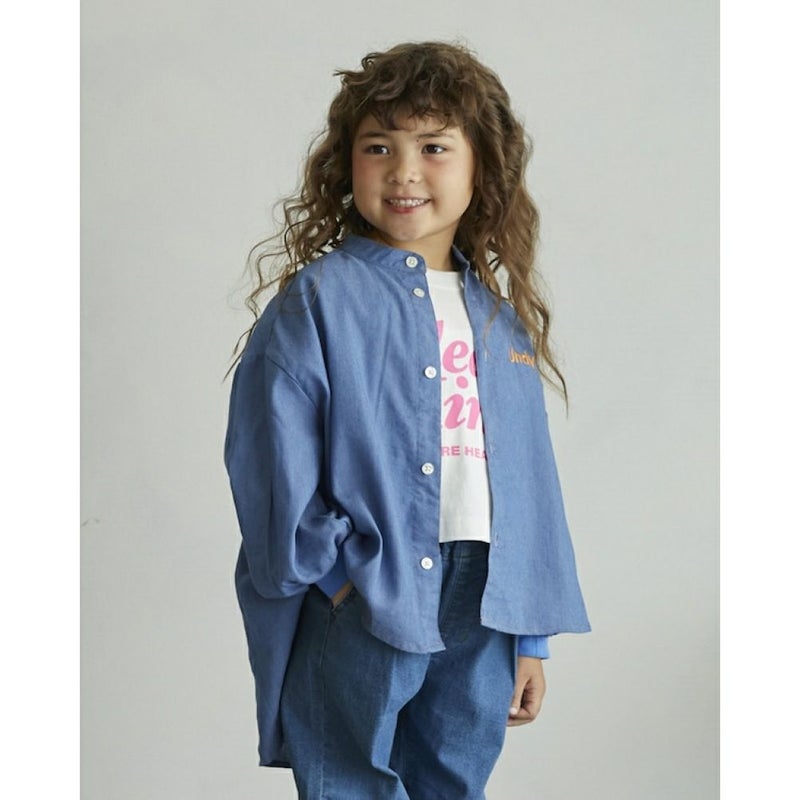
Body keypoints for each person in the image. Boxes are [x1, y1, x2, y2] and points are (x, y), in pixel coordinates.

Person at [224, 41, 590, 800]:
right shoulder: (321, 298)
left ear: (481, 165)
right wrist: (337, 578)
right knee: (348, 778)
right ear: (346, 163)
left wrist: (529, 635)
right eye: (378, 147)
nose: (404, 171)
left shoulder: (498, 318)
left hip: (485, 594)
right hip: (366, 585)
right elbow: (269, 457)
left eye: (434, 147)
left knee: (453, 778)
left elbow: (530, 482)